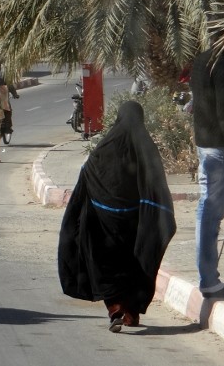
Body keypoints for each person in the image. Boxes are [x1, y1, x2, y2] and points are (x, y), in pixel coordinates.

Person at [58, 101, 177, 333]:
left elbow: (87, 173)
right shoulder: (145, 146)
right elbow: (156, 185)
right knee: (135, 266)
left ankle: (115, 309)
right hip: (135, 223)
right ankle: (131, 313)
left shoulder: (105, 145)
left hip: (104, 222)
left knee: (107, 265)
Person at [189, 40, 224, 299]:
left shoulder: (201, 59)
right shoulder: (220, 61)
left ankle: (209, 278)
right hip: (219, 148)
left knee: (207, 213)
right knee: (210, 217)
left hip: (205, 144)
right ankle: (210, 281)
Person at [0, 60, 18, 133]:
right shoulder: (3, 74)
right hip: (0, 95)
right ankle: (8, 128)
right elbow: (10, 86)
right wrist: (15, 94)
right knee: (8, 110)